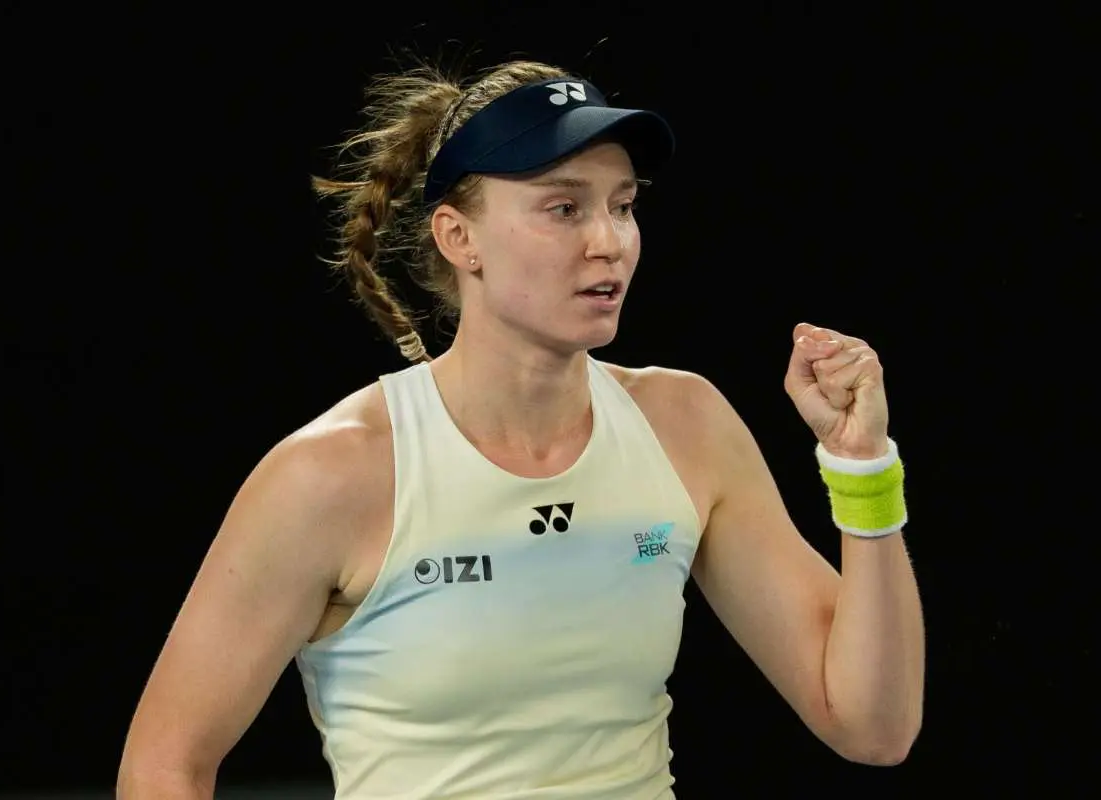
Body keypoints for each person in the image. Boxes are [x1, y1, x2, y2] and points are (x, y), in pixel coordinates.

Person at [117, 58, 925, 799]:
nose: (608, 242)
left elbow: (873, 728)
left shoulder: (686, 424)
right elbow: (163, 768)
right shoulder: (332, 473)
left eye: (622, 206)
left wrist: (862, 469)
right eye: (563, 208)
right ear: (458, 237)